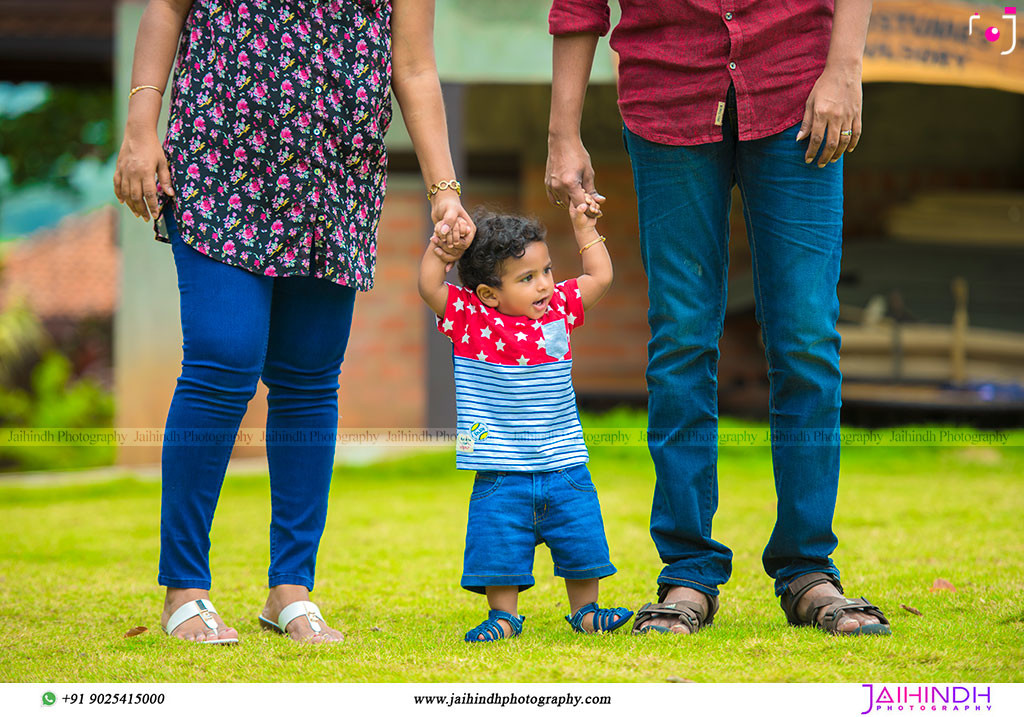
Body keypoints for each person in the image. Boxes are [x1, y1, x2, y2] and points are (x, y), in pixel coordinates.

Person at [113, 0, 474, 644]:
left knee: (308, 379)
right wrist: (142, 126)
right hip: (220, 160)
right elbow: (166, 7)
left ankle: (291, 588)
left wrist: (443, 189)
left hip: (336, 179)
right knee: (224, 357)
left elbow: (414, 66)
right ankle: (185, 588)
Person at [545, 0, 891, 636]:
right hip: (667, 95)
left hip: (798, 87)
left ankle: (808, 567)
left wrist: (845, 69)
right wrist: (562, 133)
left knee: (807, 337)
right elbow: (578, 7)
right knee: (680, 337)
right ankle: (687, 571)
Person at [418, 206, 633, 641]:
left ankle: (586, 611)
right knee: (498, 547)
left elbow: (600, 278)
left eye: (547, 270)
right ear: (489, 293)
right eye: (527, 278)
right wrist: (441, 248)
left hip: (565, 468)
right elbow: (428, 286)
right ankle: (504, 616)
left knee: (582, 541)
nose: (545, 284)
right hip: (499, 473)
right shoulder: (471, 319)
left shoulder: (559, 310)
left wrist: (584, 228)